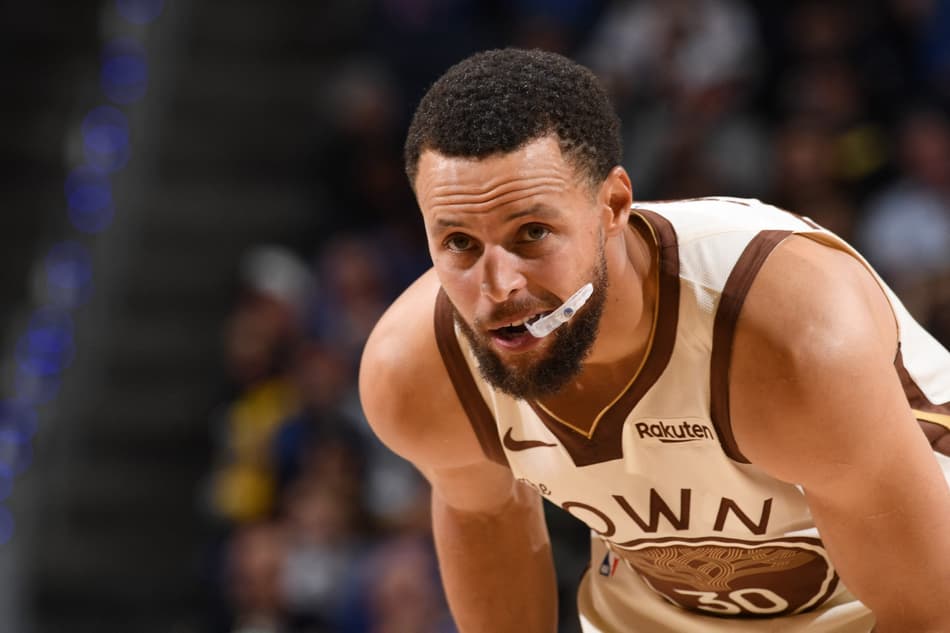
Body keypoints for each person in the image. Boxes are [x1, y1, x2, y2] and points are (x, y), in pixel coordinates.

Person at [358, 48, 950, 633]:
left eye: (532, 233)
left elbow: (927, 613)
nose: (497, 286)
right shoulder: (419, 370)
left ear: (614, 205)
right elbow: (483, 515)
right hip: (658, 610)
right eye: (459, 243)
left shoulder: (788, 339)